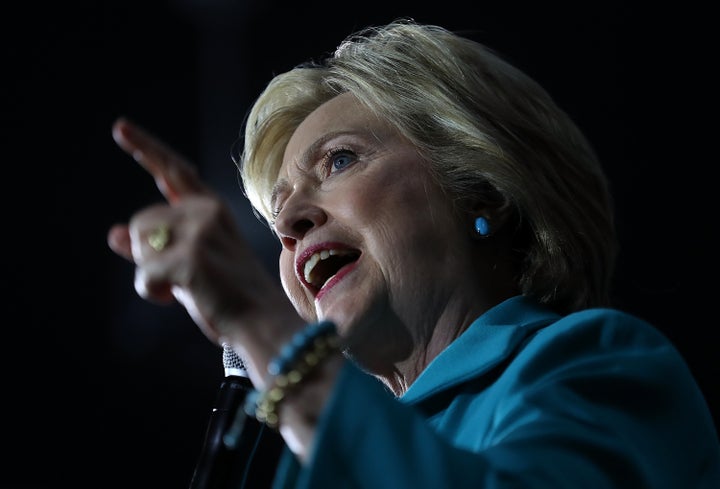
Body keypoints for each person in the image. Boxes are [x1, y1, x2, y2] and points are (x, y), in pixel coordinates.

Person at [107, 18, 720, 488]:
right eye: (277, 220)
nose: (290, 222)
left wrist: (257, 321)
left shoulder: (605, 370)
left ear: (481, 189)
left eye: (339, 160)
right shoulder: (291, 465)